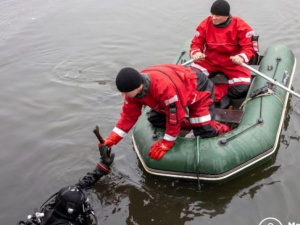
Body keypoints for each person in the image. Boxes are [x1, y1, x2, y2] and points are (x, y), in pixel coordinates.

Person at [103, 64, 230, 160]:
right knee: (154, 119)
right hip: (174, 91)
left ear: (138, 87)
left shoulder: (165, 88)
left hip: (197, 88)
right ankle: (189, 123)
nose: (122, 94)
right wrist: (113, 138)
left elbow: (174, 117)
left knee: (204, 131)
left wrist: (167, 142)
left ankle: (219, 128)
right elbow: (128, 117)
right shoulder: (132, 91)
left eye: (125, 92)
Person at [17, 144, 114, 225]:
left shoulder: (54, 207)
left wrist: (102, 167)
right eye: (84, 203)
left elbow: (80, 186)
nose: (87, 203)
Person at [190, 0, 257, 108]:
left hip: (232, 62)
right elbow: (196, 43)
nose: (214, 17)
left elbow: (249, 47)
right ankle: (215, 93)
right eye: (212, 14)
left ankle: (216, 91)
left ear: (226, 16)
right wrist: (196, 52)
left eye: (217, 15)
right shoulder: (205, 24)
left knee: (242, 88)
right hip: (210, 60)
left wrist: (241, 57)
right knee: (190, 78)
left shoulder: (240, 25)